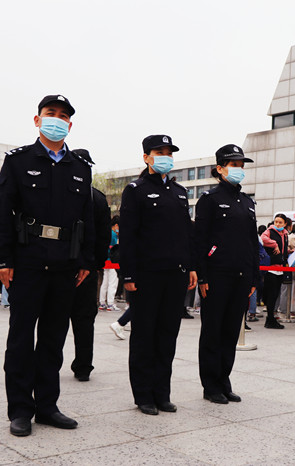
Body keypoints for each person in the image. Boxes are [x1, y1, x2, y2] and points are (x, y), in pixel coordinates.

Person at [0, 94, 95, 437]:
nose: (57, 119)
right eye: (51, 113)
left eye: (63, 116)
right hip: (27, 261)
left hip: (65, 265)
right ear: (37, 120)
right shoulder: (18, 160)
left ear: (69, 125)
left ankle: (48, 406)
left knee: (53, 338)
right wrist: (3, 259)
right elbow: (2, 210)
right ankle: (20, 409)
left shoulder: (80, 167)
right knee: (21, 339)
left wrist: (85, 260)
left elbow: (86, 219)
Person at [118, 134, 197, 416]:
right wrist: (127, 275)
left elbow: (187, 234)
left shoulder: (179, 192)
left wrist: (191, 266)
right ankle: (144, 395)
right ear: (146, 157)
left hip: (175, 275)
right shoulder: (135, 190)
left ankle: (162, 393)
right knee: (144, 336)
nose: (166, 156)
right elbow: (127, 236)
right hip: (146, 275)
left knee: (167, 335)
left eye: (169, 152)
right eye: (159, 151)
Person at [195, 144, 258, 404]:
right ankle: (210, 386)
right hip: (217, 275)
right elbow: (199, 240)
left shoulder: (247, 202)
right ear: (220, 169)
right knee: (213, 331)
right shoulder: (209, 199)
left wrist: (254, 277)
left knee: (232, 331)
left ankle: (224, 381)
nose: (239, 170)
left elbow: (252, 243)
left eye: (242, 166)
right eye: (234, 165)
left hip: (241, 277)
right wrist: (203, 276)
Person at [69, 149, 111, 381]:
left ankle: (49, 364)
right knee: (84, 320)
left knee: (54, 319)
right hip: (88, 268)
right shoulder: (98, 197)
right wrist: (96, 265)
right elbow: (103, 238)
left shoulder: (64, 193)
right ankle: (83, 367)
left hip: (62, 266)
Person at [260, 214, 290, 329]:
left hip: (280, 267)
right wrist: (274, 244)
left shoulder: (285, 234)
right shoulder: (269, 231)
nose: (277, 224)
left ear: (285, 224)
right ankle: (270, 319)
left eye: (280, 222)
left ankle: (272, 318)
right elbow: (263, 238)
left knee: (276, 294)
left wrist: (289, 251)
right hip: (271, 267)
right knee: (271, 295)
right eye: (276, 221)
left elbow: (282, 249)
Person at [99, 216, 120, 312]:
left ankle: (102, 302)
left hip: (106, 261)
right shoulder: (114, 235)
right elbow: (115, 248)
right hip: (113, 261)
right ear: (116, 225)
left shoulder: (107, 232)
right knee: (113, 283)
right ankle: (111, 304)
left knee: (105, 282)